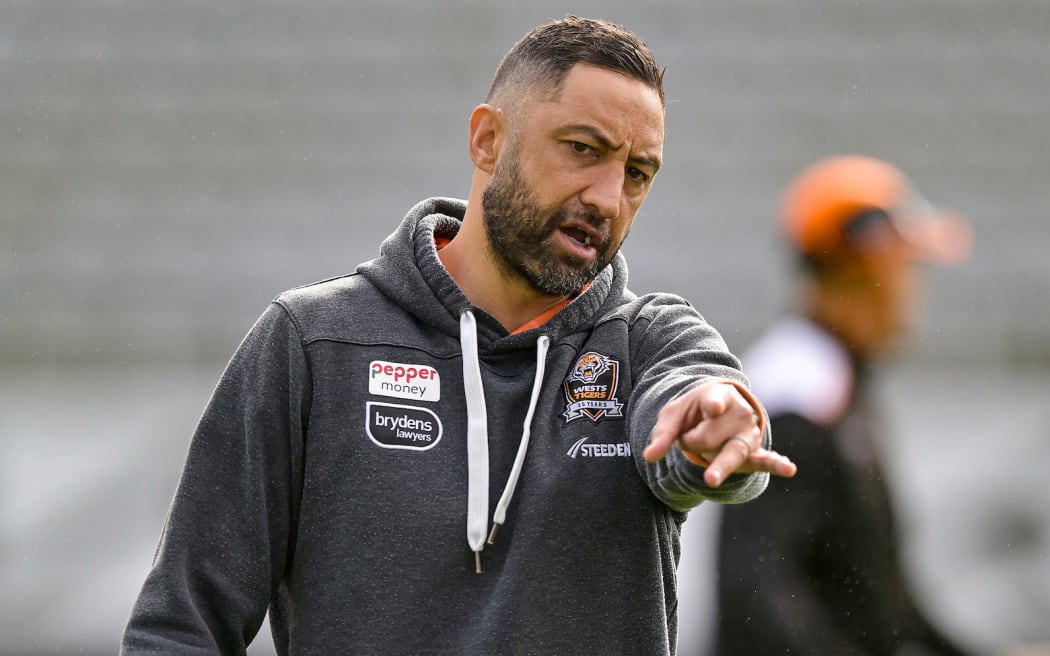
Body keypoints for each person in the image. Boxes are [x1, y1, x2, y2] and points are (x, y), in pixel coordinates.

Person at [120, 15, 796, 656]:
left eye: (637, 173)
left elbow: (693, 401)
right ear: (487, 140)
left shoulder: (648, 341)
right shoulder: (312, 346)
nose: (608, 198)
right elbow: (182, 626)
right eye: (583, 150)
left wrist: (711, 424)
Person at [712, 155, 976, 656]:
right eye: (907, 267)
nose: (915, 290)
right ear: (864, 272)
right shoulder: (797, 398)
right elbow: (755, 596)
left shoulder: (836, 386)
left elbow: (882, 597)